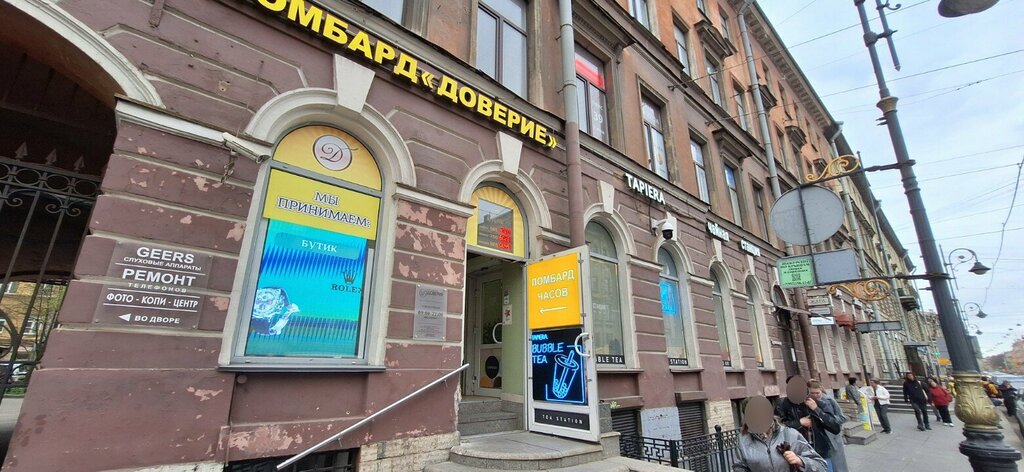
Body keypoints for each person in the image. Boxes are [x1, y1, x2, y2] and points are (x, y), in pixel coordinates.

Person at [734, 395, 828, 472]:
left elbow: (821, 465)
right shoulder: (743, 440)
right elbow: (739, 467)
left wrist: (800, 461)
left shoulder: (791, 435)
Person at [776, 379, 844, 472]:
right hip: (798, 454)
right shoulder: (783, 404)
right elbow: (778, 428)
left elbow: (835, 428)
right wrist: (799, 422)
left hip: (821, 452)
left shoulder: (817, 403)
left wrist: (816, 409)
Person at [815, 384, 850, 472]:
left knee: (838, 466)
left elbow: (843, 418)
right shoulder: (807, 402)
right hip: (818, 441)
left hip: (832, 438)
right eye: (812, 393)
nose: (815, 395)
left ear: (821, 390)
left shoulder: (829, 400)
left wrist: (827, 420)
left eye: (817, 393)